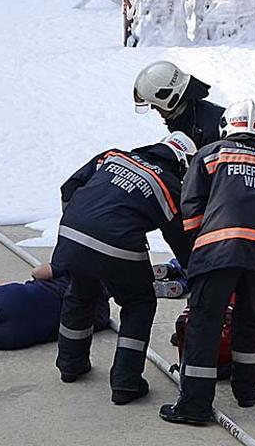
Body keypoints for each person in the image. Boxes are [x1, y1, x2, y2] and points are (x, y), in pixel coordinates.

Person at [161, 99, 255, 427]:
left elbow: (190, 208)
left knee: (205, 322)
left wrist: (198, 250)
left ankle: (193, 405)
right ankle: (248, 392)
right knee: (251, 318)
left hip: (218, 251)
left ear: (226, 127)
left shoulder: (211, 155)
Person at [51, 132, 197, 406]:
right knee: (139, 302)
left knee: (81, 291)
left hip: (72, 234)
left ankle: (70, 365)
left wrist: (79, 225)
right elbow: (179, 236)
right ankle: (126, 383)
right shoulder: (168, 184)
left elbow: (68, 187)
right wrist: (195, 271)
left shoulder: (113, 156)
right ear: (183, 163)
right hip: (117, 243)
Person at [133, 61, 226, 149]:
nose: (153, 108)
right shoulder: (186, 117)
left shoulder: (205, 129)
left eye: (155, 104)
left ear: (169, 96)